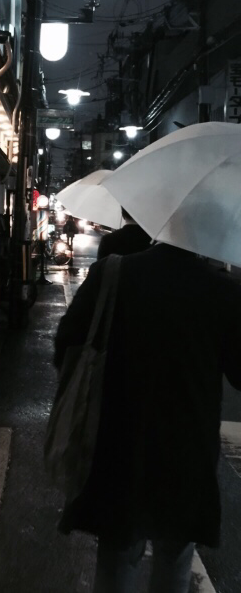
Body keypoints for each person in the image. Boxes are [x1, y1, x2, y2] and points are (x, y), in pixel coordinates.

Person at [53, 242, 241, 593]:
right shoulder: (223, 291)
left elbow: (66, 343)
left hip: (118, 440)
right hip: (187, 449)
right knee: (175, 557)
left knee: (117, 555)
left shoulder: (112, 273)